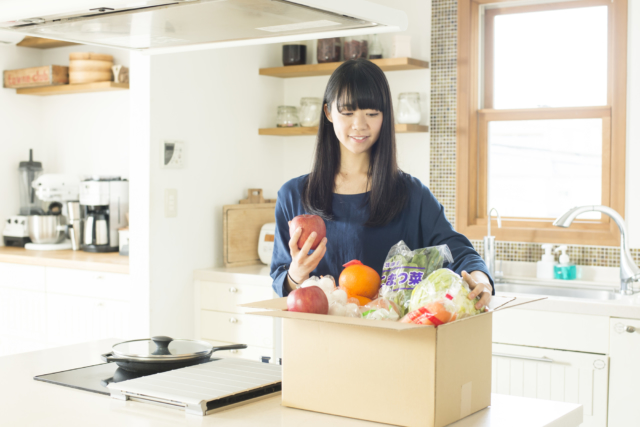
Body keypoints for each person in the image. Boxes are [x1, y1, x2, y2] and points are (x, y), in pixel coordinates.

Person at [270, 59, 493, 310]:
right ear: (328, 113)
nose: (360, 124)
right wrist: (295, 275)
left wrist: (480, 280)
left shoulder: (411, 194)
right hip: (316, 339)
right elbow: (280, 279)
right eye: (347, 112)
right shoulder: (293, 195)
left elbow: (460, 251)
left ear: (385, 116)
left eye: (372, 113)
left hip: (390, 339)